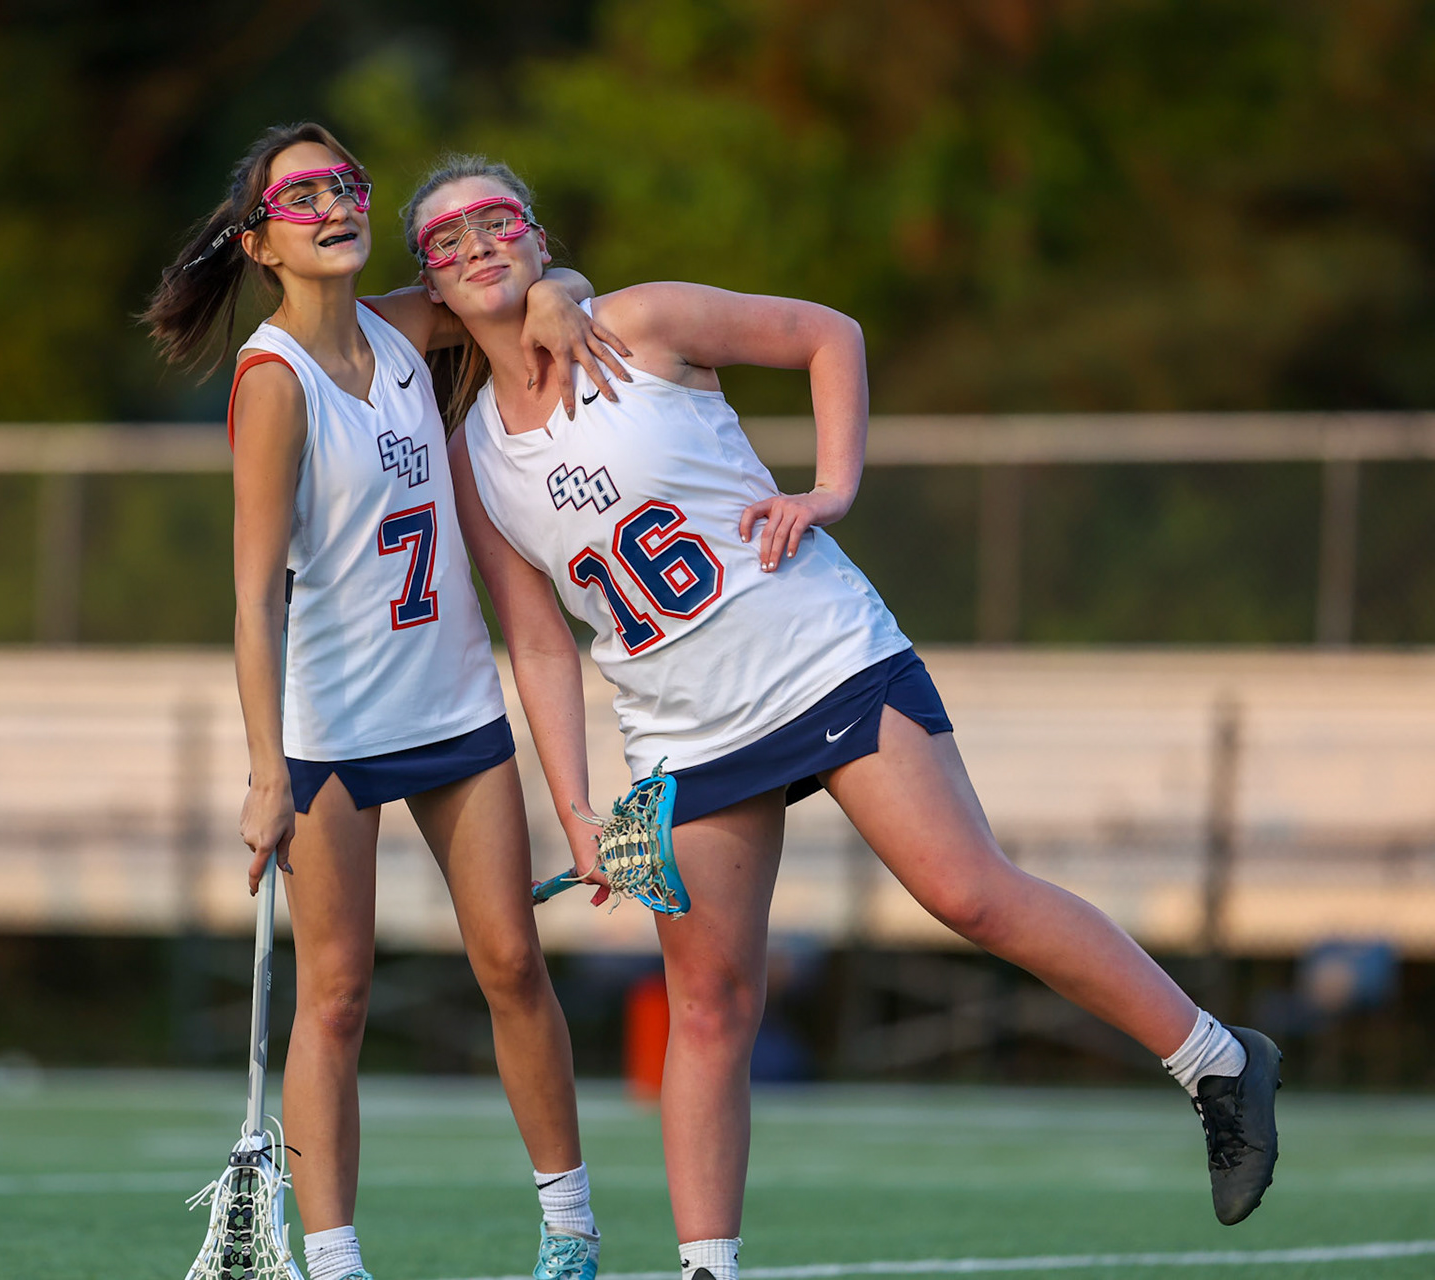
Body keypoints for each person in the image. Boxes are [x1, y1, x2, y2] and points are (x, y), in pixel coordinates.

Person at [407, 155, 1282, 1280]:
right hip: (681, 727)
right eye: (447, 237)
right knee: (708, 1003)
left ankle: (1216, 1059)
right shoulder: (473, 455)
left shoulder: (639, 320)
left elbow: (831, 334)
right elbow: (535, 638)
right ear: (429, 278)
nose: (477, 244)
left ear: (532, 232)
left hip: (819, 652)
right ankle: (707, 1267)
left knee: (967, 888)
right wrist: (574, 805)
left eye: (497, 220)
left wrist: (831, 486)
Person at [143, 123, 633, 1280]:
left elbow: (509, 284)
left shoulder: (400, 326)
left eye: (346, 184)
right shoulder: (275, 382)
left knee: (513, 961)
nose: (334, 204)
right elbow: (254, 597)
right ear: (261, 239)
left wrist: (563, 285)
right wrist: (267, 769)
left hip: (456, 709)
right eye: (302, 194)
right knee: (341, 993)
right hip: (336, 733)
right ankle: (336, 1256)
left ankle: (570, 1228)